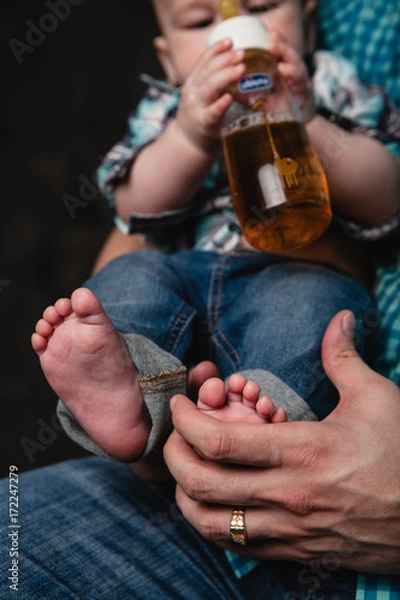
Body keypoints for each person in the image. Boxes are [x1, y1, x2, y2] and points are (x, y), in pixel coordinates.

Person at [29, 0, 400, 597]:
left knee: (308, 315)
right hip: (182, 274)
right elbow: (134, 208)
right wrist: (190, 131)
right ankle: (130, 389)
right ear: (167, 57)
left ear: (308, 17)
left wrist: (310, 121)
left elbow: (388, 198)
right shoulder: (171, 106)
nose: (232, 32)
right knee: (129, 280)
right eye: (201, 23)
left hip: (292, 265)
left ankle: (257, 425)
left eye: (259, 8)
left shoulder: (330, 83)